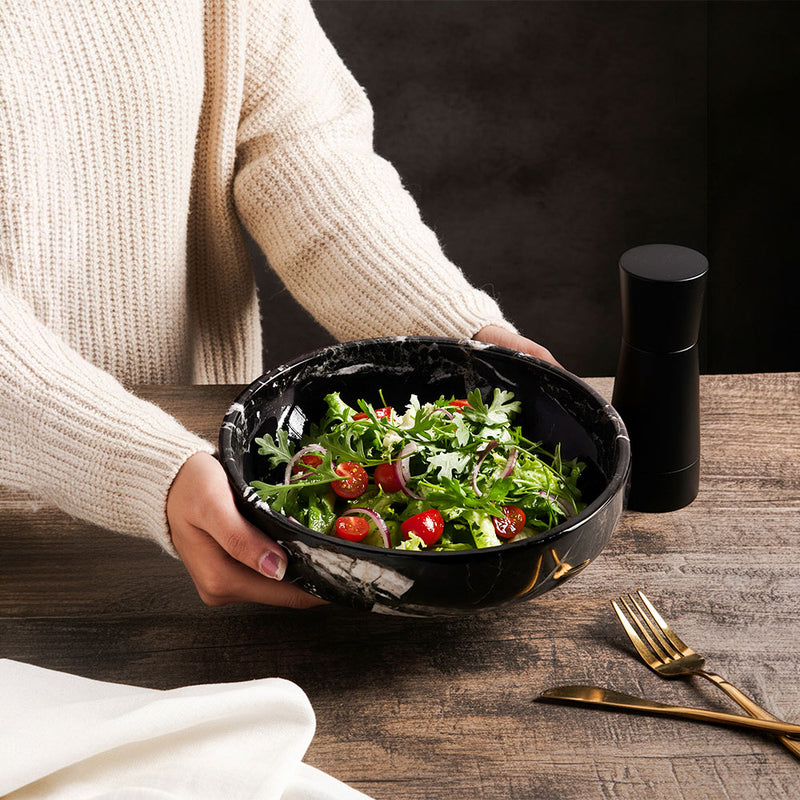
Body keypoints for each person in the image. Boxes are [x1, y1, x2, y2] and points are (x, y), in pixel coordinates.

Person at [0, 0, 555, 609]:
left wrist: (453, 332)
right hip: (35, 536)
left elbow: (297, 145)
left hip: (209, 483)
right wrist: (140, 465)